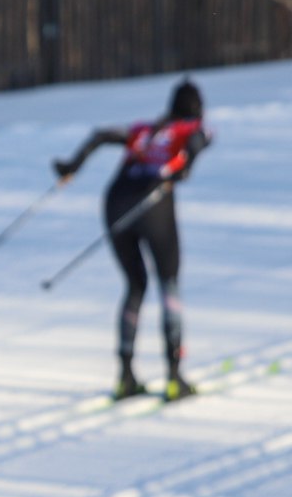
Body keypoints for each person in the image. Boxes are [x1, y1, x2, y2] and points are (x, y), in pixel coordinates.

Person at [53, 78, 212, 402]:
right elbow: (198, 142)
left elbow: (101, 136)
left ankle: (125, 377)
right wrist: (185, 168)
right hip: (154, 203)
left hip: (116, 201)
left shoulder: (144, 129)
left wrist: (72, 166)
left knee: (135, 285)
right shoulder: (192, 128)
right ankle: (174, 377)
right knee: (168, 284)